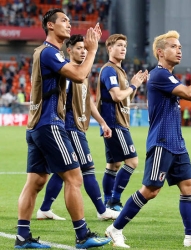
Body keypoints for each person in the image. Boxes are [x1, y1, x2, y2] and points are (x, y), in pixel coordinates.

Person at [104, 30, 191, 248]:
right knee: (151, 190)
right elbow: (190, 93)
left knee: (188, 185)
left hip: (177, 142)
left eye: (180, 47)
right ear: (160, 52)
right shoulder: (159, 75)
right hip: (162, 142)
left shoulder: (171, 76)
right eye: (174, 47)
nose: (179, 50)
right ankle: (115, 228)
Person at [15, 8, 111, 249]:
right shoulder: (49, 53)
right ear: (50, 26)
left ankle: (22, 237)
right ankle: (82, 235)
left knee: (35, 182)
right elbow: (79, 74)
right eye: (64, 21)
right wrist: (92, 50)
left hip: (35, 125)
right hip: (49, 124)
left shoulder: (44, 53)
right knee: (75, 178)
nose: (69, 25)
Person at [36, 34, 119, 222]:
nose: (83, 51)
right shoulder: (67, 73)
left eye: (85, 48)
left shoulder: (83, 71)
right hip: (70, 127)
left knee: (64, 171)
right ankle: (101, 210)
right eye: (79, 48)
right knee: (87, 167)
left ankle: (45, 208)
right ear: (69, 50)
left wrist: (103, 122)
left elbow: (87, 101)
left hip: (78, 126)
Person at [95, 34, 148, 211]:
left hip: (115, 122)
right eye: (119, 45)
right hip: (115, 122)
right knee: (132, 162)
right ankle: (114, 201)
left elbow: (125, 99)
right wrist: (132, 86)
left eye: (125, 45)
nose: (123, 48)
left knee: (113, 164)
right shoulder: (109, 69)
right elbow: (116, 96)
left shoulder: (119, 71)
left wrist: (135, 84)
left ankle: (107, 203)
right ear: (110, 48)